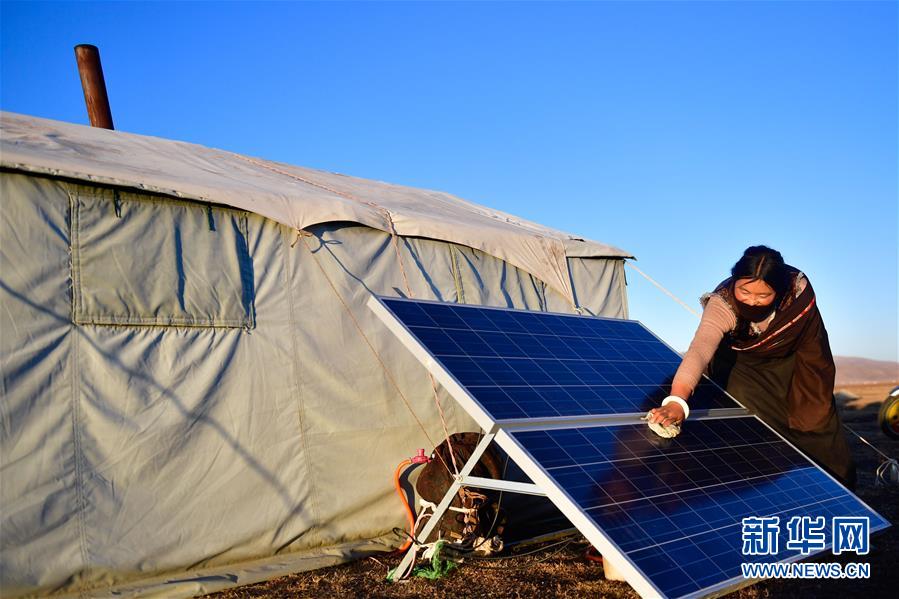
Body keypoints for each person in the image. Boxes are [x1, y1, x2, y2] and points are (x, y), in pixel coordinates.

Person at [647, 245, 857, 489]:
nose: (752, 301)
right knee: (759, 428)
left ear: (778, 292)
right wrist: (676, 401)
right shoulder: (723, 304)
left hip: (799, 363)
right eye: (744, 292)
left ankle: (840, 497)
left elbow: (814, 346)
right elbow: (700, 350)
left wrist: (812, 400)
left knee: (817, 424)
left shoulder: (798, 296)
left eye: (763, 296)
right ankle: (776, 493)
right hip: (745, 367)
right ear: (735, 282)